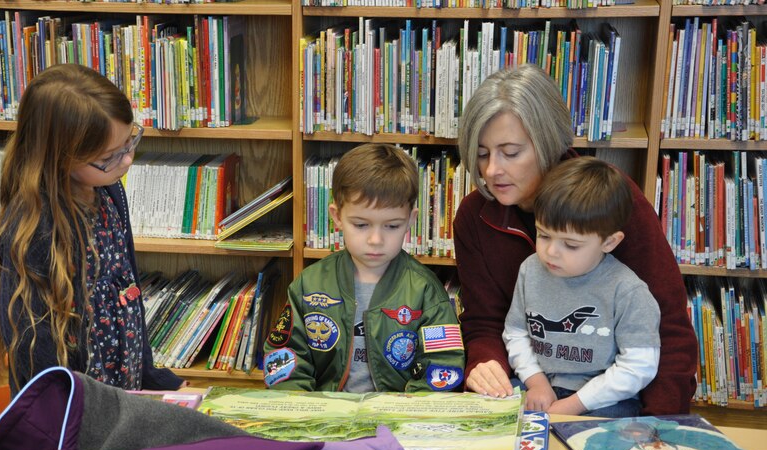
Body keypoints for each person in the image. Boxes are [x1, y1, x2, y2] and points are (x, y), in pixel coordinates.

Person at [453, 64, 698, 416]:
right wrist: (484, 364)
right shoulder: (473, 216)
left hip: (610, 397)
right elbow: (484, 322)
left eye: (511, 152)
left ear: (548, 143)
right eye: (481, 153)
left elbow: (666, 325)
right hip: (528, 386)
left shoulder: (608, 200)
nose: (492, 170)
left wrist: (659, 425)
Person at [0, 63, 185, 394]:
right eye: (110, 156)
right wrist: (78, 417)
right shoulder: (34, 229)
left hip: (122, 399)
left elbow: (127, 293)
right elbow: (35, 355)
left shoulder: (108, 191)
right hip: (72, 413)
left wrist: (151, 378)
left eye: (130, 141)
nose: (127, 161)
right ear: (60, 156)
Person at [263, 144, 465, 392]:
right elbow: (284, 357)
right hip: (326, 418)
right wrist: (304, 410)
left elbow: (444, 365)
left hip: (397, 419)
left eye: (391, 226)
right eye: (361, 225)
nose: (376, 240)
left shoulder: (426, 290)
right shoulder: (310, 284)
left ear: (410, 221)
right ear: (337, 217)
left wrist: (407, 414)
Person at [502, 157, 660, 417]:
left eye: (571, 245)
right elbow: (516, 333)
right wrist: (536, 381)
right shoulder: (530, 270)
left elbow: (638, 366)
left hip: (603, 400)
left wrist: (572, 405)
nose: (551, 252)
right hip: (540, 386)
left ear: (609, 242)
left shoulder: (627, 290)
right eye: (543, 235)